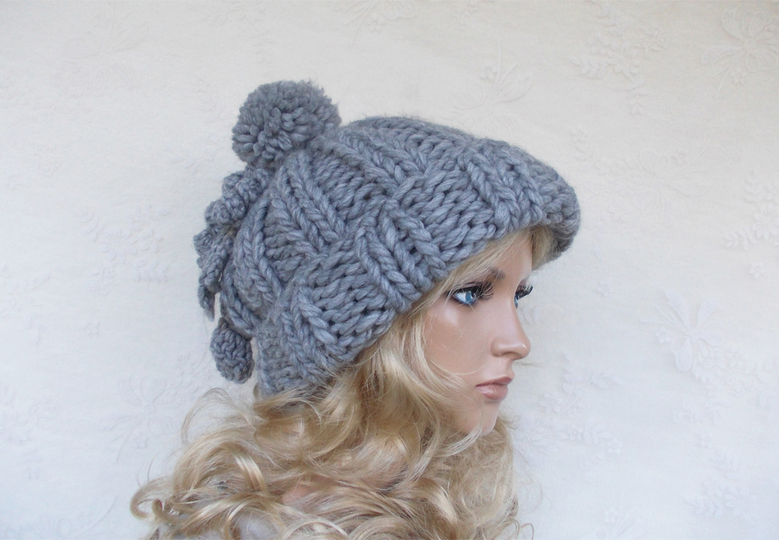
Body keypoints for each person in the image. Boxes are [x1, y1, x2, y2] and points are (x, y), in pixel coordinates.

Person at [131, 80, 580, 539]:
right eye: (470, 293)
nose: (517, 342)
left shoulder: (423, 498)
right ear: (354, 330)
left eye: (518, 295)